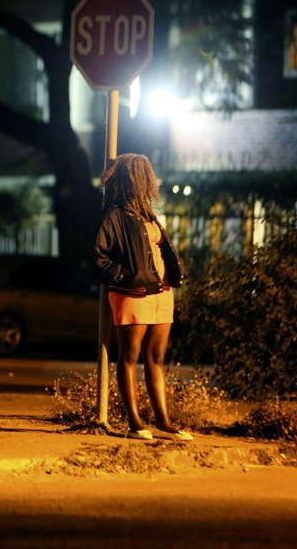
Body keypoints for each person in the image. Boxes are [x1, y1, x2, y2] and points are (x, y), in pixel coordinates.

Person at [91, 153, 193, 442]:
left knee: (156, 358)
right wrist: (124, 276)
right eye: (145, 176)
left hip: (161, 293)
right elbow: (97, 257)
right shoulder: (114, 215)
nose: (151, 181)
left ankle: (164, 422)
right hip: (132, 294)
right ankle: (135, 423)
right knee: (129, 356)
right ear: (133, 179)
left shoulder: (148, 214)